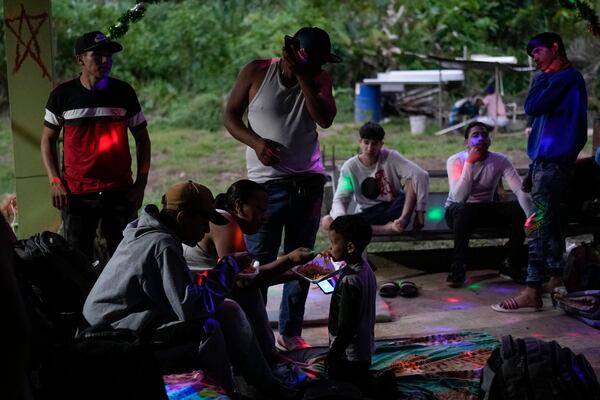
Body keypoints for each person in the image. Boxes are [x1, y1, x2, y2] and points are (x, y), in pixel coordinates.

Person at [83, 181, 296, 398]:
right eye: (203, 221)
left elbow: (182, 290)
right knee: (208, 328)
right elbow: (191, 307)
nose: (206, 229)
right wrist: (228, 267)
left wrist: (224, 274)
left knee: (228, 308)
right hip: (116, 331)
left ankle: (265, 385)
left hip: (132, 317)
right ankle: (225, 392)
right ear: (182, 218)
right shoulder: (161, 244)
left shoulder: (153, 234)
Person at [223, 26, 339, 351]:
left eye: (320, 64)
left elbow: (324, 119)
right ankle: (256, 335)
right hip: (264, 188)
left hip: (308, 183)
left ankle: (290, 332)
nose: (319, 68)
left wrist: (305, 77)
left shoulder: (319, 79)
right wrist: (256, 142)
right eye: (312, 62)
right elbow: (230, 115)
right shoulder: (257, 71)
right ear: (291, 52)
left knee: (302, 261)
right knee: (257, 264)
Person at [493, 32, 587, 312]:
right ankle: (555, 276)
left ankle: (532, 288)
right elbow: (534, 113)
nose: (533, 57)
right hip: (543, 164)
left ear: (555, 47)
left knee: (536, 224)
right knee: (551, 221)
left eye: (537, 51)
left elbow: (533, 105)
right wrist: (533, 168)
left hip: (555, 164)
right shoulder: (548, 79)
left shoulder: (567, 79)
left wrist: (542, 79)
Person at [41, 31, 151, 263]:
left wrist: (140, 184)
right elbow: (47, 140)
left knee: (125, 261)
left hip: (120, 193)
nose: (105, 60)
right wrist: (55, 181)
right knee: (77, 263)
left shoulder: (123, 93)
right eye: (97, 55)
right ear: (80, 59)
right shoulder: (62, 96)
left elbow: (143, 139)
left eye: (108, 55)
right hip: (77, 195)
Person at [182, 179, 313, 364]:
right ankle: (267, 358)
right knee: (248, 293)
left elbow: (249, 276)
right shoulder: (225, 222)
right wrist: (289, 260)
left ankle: (268, 357)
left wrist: (298, 271)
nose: (264, 217)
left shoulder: (227, 222)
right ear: (238, 206)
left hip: (206, 293)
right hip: (200, 299)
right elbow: (243, 282)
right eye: (259, 209)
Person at [445, 121, 534, 287]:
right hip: (456, 212)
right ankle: (458, 266)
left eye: (484, 135)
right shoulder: (455, 161)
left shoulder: (500, 160)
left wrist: (531, 216)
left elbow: (520, 190)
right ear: (466, 142)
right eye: (475, 135)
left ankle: (509, 262)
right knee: (463, 209)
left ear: (490, 140)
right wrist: (470, 163)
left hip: (483, 210)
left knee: (519, 209)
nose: (480, 139)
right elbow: (459, 197)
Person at [321, 121, 429, 235]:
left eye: (374, 143)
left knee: (411, 181)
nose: (369, 148)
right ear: (360, 142)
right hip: (368, 213)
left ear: (381, 144)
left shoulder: (390, 157)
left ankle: (401, 222)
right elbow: (341, 198)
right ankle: (388, 229)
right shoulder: (350, 167)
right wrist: (341, 218)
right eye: (366, 143)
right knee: (327, 221)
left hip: (394, 208)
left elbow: (421, 175)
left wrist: (420, 211)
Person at [325, 215, 376, 383]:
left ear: (350, 247)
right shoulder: (365, 268)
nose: (329, 247)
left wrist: (334, 354)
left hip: (350, 353)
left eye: (333, 243)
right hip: (364, 349)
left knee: (344, 385)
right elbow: (337, 290)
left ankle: (380, 386)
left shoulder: (350, 280)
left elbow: (347, 324)